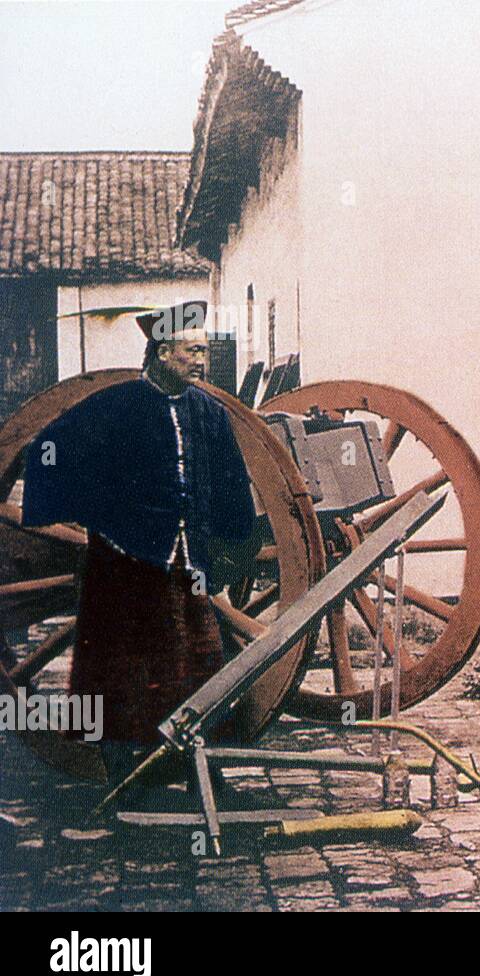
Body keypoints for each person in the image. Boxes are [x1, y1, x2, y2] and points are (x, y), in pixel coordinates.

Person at [22, 301, 258, 794]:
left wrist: (232, 546)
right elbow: (49, 448)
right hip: (124, 562)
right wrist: (101, 516)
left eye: (204, 351)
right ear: (163, 351)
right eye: (193, 351)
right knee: (117, 669)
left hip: (185, 562)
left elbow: (233, 485)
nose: (202, 361)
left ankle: (199, 771)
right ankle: (118, 774)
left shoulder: (209, 413)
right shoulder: (116, 406)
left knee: (196, 665)